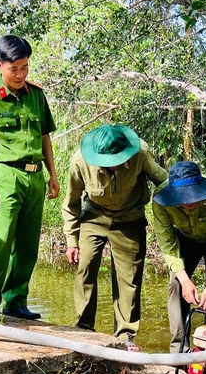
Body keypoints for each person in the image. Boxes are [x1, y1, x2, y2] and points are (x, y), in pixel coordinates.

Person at [0, 34, 59, 322]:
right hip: (6, 175)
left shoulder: (37, 94)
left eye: (25, 68)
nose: (20, 75)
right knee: (1, 241)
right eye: (14, 69)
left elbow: (44, 136)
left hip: (35, 178)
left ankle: (16, 300)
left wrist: (53, 175)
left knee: (28, 243)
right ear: (0, 65)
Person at [62, 124, 167, 349]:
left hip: (130, 219)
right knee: (86, 267)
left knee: (129, 278)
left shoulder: (140, 153)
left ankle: (125, 335)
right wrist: (72, 240)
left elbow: (163, 180)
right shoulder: (80, 161)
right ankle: (84, 327)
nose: (112, 166)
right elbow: (71, 203)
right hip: (94, 216)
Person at [152, 161, 206, 353]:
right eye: (181, 199)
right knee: (176, 285)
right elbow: (167, 241)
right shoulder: (160, 199)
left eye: (192, 197)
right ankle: (180, 350)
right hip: (185, 239)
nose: (187, 203)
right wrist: (184, 280)